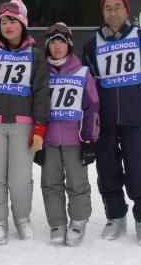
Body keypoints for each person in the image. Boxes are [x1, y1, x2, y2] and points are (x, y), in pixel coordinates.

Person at [0, 0, 50, 245]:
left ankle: (22, 218)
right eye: (3, 21)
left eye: (12, 21)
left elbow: (41, 92)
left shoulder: (35, 55)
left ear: (22, 24)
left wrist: (39, 126)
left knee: (20, 177)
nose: (7, 26)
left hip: (23, 124)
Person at [82, 0, 141, 247]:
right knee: (108, 168)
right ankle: (115, 217)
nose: (112, 12)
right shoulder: (92, 44)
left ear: (127, 10)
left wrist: (135, 96)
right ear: (103, 13)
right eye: (107, 8)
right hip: (103, 117)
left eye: (117, 7)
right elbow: (89, 80)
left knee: (137, 167)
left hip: (133, 115)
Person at [40, 23, 100, 246]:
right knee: (51, 183)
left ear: (69, 45)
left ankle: (78, 220)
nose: (57, 46)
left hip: (75, 140)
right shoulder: (41, 72)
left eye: (61, 42)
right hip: (48, 141)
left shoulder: (82, 72)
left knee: (77, 182)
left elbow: (92, 108)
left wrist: (90, 140)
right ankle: (57, 222)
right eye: (53, 42)